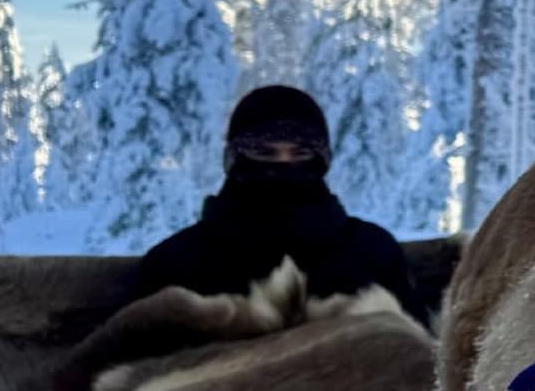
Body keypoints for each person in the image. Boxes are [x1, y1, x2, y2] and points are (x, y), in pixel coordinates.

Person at [125, 85, 426, 321]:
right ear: (236, 160)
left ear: (321, 161)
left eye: (300, 153)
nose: (283, 165)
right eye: (265, 153)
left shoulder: (371, 250)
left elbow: (414, 353)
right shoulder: (178, 260)